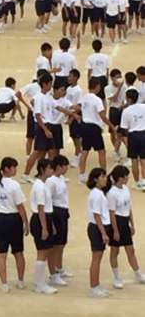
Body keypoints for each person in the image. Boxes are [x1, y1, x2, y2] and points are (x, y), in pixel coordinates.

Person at [0, 157, 28, 292]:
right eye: (14, 167)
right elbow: (20, 206)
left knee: (1, 253)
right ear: (6, 168)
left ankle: (4, 283)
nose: (15, 170)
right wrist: (25, 222)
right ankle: (20, 281)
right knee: (18, 252)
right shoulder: (14, 185)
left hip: (0, 219)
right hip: (13, 220)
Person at [107, 165, 145, 289]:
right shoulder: (112, 193)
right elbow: (111, 213)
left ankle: (138, 274)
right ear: (120, 178)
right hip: (116, 221)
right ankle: (117, 277)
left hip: (125, 221)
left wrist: (132, 224)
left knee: (130, 249)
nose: (128, 178)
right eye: (126, 177)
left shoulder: (126, 189)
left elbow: (128, 208)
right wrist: (115, 230)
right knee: (115, 251)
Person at [78, 77, 115, 183]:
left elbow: (79, 107)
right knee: (101, 151)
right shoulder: (97, 100)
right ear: (97, 87)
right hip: (94, 127)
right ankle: (104, 173)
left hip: (84, 126)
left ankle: (82, 174)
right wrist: (112, 126)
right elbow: (102, 116)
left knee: (85, 151)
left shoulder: (84, 97)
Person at [29, 159, 57, 294]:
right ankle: (39, 284)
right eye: (49, 168)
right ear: (42, 170)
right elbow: (41, 208)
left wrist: (51, 225)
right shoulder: (39, 187)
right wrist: (44, 228)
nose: (52, 170)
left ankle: (40, 281)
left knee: (46, 251)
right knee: (42, 252)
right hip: (41, 219)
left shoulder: (43, 185)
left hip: (46, 218)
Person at [47, 155, 72, 287]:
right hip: (56, 212)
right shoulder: (51, 181)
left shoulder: (61, 178)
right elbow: (48, 200)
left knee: (62, 243)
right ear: (58, 167)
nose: (67, 168)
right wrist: (51, 220)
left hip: (63, 211)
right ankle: (54, 272)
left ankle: (59, 267)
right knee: (56, 244)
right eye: (65, 166)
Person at [87, 167, 111, 298]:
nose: (105, 179)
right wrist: (103, 233)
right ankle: (94, 287)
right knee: (96, 258)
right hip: (97, 228)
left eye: (105, 176)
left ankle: (96, 284)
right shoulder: (96, 194)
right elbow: (96, 215)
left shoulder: (99, 193)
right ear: (95, 179)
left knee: (99, 257)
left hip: (99, 227)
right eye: (102, 177)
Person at [120, 89, 145, 190]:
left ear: (129, 99)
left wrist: (127, 140)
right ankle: (144, 181)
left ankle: (138, 182)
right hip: (144, 133)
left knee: (134, 160)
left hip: (133, 135)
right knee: (143, 159)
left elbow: (124, 129)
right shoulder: (144, 107)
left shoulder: (126, 111)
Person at [105, 68, 126, 161]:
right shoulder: (107, 88)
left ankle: (117, 150)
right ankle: (116, 151)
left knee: (121, 132)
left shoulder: (125, 87)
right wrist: (119, 88)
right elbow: (113, 99)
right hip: (113, 110)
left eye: (120, 77)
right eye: (117, 77)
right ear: (112, 78)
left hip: (122, 110)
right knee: (113, 132)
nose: (119, 79)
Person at [66, 68, 83, 167]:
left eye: (70, 76)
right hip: (70, 114)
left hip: (75, 116)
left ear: (76, 78)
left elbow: (79, 106)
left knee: (76, 137)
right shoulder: (68, 89)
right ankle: (78, 152)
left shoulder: (78, 91)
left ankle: (78, 155)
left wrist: (72, 118)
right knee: (73, 136)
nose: (68, 78)